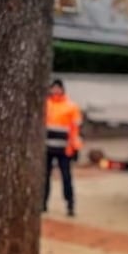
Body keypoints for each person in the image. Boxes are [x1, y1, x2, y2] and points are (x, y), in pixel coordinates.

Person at [43, 78, 83, 217]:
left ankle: (70, 205)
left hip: (64, 150)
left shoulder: (71, 107)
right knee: (44, 177)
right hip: (47, 149)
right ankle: (43, 203)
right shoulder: (46, 105)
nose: (55, 90)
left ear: (62, 89)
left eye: (57, 88)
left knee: (66, 178)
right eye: (53, 88)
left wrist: (76, 148)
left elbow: (75, 130)